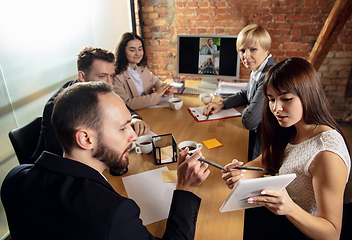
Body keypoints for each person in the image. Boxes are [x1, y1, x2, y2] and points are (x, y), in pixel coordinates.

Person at [1, 81, 210, 240]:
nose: (134, 136)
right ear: (85, 139)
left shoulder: (13, 179)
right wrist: (184, 188)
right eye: (122, 128)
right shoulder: (114, 215)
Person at [222, 58, 351, 240]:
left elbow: (331, 233)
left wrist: (290, 209)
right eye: (271, 99)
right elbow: (266, 160)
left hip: (300, 229)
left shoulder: (327, 153)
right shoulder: (292, 127)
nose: (276, 108)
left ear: (308, 94)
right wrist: (240, 173)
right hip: (281, 214)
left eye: (286, 99)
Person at [31, 47, 150, 166]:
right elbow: (59, 155)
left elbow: (117, 106)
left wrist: (133, 118)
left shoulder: (99, 90)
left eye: (111, 76)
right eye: (102, 76)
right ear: (82, 76)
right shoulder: (58, 106)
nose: (108, 83)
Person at [203, 24, 275, 161]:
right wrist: (221, 104)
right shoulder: (258, 70)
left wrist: (247, 110)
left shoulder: (267, 76)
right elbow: (245, 94)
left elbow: (250, 121)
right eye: (242, 51)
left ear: (266, 50)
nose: (246, 56)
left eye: (253, 49)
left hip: (262, 148)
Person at [113, 32, 173, 110]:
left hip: (150, 110)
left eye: (140, 49)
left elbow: (156, 81)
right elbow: (127, 104)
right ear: (123, 52)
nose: (138, 53)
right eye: (132, 50)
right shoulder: (117, 77)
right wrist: (157, 95)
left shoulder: (142, 68)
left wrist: (165, 89)